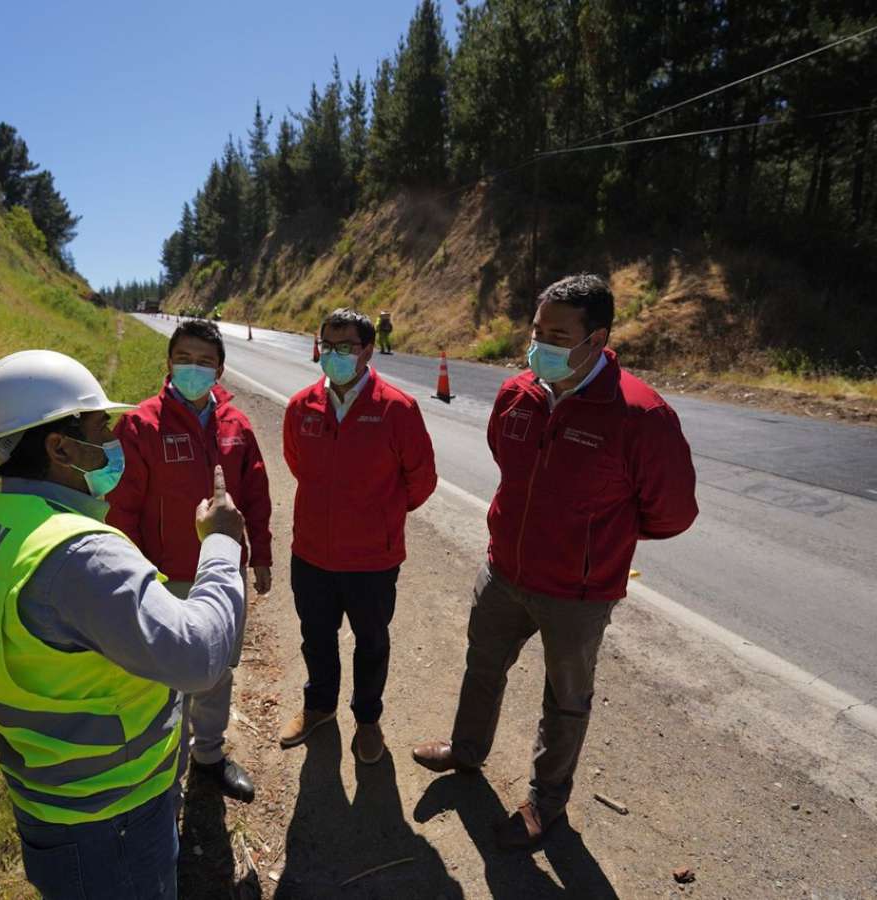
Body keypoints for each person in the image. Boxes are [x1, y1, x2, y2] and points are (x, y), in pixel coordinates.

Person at [412, 274, 698, 850]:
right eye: (537, 330)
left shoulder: (641, 415)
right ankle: (466, 751)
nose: (540, 343)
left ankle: (546, 802)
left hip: (578, 593)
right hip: (504, 572)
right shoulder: (517, 393)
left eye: (558, 334)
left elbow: (671, 512)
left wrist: (597, 540)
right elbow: (509, 464)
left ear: (597, 338)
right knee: (482, 665)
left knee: (565, 700)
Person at [0, 349, 246, 899]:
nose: (112, 439)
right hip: (111, 813)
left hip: (51, 796)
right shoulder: (79, 553)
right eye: (98, 427)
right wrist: (221, 542)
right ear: (59, 445)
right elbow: (197, 657)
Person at [108, 319, 272, 804]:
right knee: (164, 681)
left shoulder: (237, 428)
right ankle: (166, 770)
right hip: (162, 578)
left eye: (205, 361)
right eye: (185, 359)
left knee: (217, 669)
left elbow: (257, 496)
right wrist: (136, 575)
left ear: (220, 370)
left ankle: (209, 755)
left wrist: (259, 554)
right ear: (169, 363)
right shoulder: (140, 425)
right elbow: (122, 508)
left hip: (222, 575)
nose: (194, 369)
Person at [279, 308, 437, 764]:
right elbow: (298, 465)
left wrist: (379, 515)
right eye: (327, 345)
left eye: (344, 347)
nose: (333, 354)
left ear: (368, 350)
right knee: (316, 637)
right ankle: (320, 707)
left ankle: (367, 719)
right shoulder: (300, 406)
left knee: (371, 642)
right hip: (311, 553)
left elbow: (420, 480)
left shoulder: (397, 409)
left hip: (372, 559)